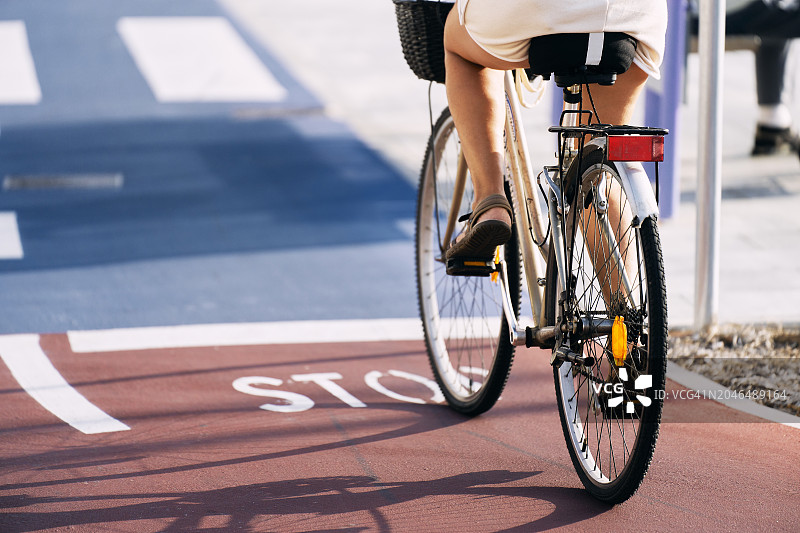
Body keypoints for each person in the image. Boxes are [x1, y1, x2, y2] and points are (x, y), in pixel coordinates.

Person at [442, 0, 667, 263]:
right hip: (633, 16)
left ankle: (489, 202)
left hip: (541, 11)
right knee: (596, 167)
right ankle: (623, 304)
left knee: (458, 45)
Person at [724, 0, 800, 156]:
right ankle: (773, 119)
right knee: (785, 10)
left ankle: (773, 121)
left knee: (781, 12)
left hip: (686, 11)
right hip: (720, 11)